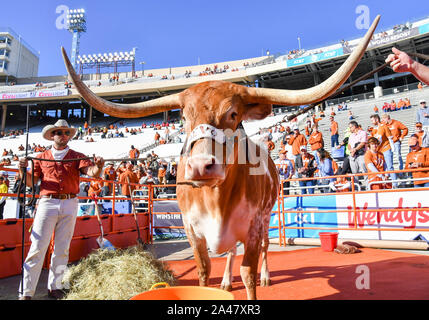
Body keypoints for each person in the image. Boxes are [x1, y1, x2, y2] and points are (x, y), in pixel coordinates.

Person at [18, 119, 104, 300]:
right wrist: (21, 168)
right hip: (47, 202)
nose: (63, 135)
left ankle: (55, 286)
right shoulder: (41, 156)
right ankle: (26, 292)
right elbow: (30, 182)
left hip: (70, 202)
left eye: (66, 133)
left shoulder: (78, 155)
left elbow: (92, 172)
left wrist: (99, 166)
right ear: (52, 135)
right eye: (59, 132)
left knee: (62, 248)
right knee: (37, 247)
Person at [370, 114, 396, 186]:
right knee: (383, 169)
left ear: (377, 119)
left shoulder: (384, 127)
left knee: (390, 167)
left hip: (386, 148)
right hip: (379, 151)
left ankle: (395, 184)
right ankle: (385, 184)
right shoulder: (374, 129)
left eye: (372, 120)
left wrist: (392, 148)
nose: (372, 122)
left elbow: (390, 138)